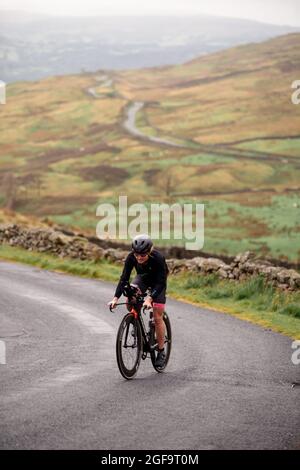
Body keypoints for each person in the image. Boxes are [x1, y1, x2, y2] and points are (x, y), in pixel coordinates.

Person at [108, 234, 169, 368]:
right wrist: (115, 298)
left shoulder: (158, 258)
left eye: (143, 255)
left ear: (149, 251)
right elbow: (124, 278)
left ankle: (160, 351)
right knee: (131, 298)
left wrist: (150, 298)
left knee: (158, 316)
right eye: (137, 255)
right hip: (142, 278)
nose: (139, 258)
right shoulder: (131, 257)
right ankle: (136, 322)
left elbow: (160, 282)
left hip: (158, 283)